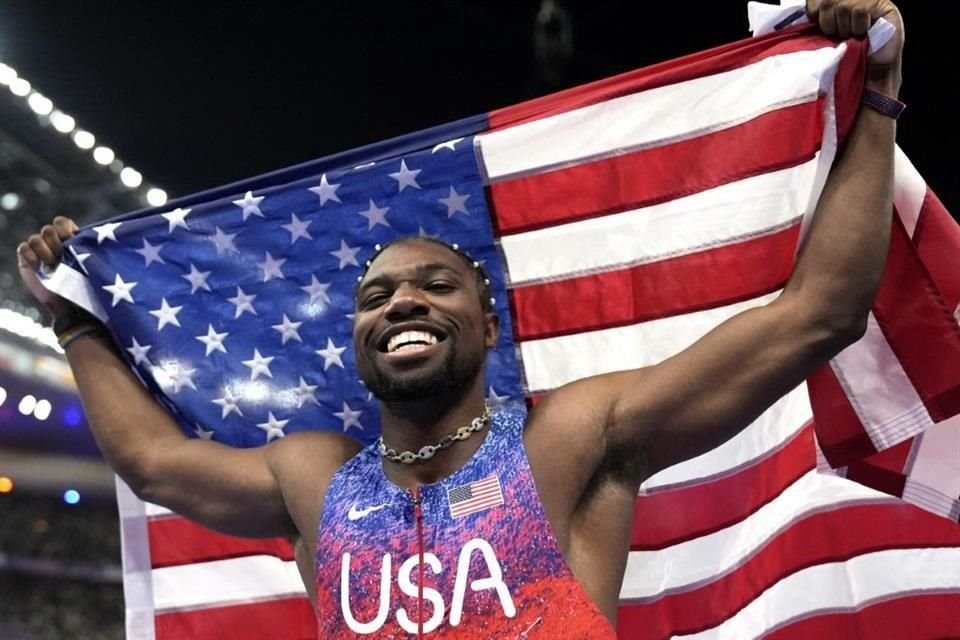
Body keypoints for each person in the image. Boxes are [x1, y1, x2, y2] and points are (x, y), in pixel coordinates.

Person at [16, 1, 905, 636]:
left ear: (488, 326)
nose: (402, 300)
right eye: (376, 297)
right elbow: (153, 462)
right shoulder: (313, 480)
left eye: (436, 287)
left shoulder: (571, 440)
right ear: (358, 342)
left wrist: (874, 100)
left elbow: (817, 315)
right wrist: (77, 323)